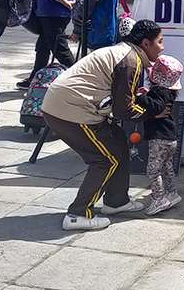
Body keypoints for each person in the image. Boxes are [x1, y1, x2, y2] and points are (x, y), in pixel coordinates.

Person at [41, 20, 164, 230]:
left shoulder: (126, 53)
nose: (162, 47)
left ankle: (116, 202)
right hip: (70, 111)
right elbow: (123, 111)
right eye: (160, 42)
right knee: (105, 160)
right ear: (146, 43)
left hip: (65, 105)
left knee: (117, 141)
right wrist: (154, 112)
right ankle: (77, 215)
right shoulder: (131, 61)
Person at [142, 55, 184, 216]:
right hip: (170, 137)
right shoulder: (168, 92)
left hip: (159, 138)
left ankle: (159, 198)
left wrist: (142, 98)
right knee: (167, 167)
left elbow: (156, 106)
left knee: (153, 170)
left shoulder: (159, 92)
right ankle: (172, 193)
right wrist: (147, 94)